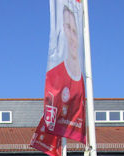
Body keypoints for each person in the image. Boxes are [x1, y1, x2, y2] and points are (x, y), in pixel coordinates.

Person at [43, 4, 85, 142]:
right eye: (68, 28)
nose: (73, 37)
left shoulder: (84, 84)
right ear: (63, 31)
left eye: (75, 30)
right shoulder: (55, 75)